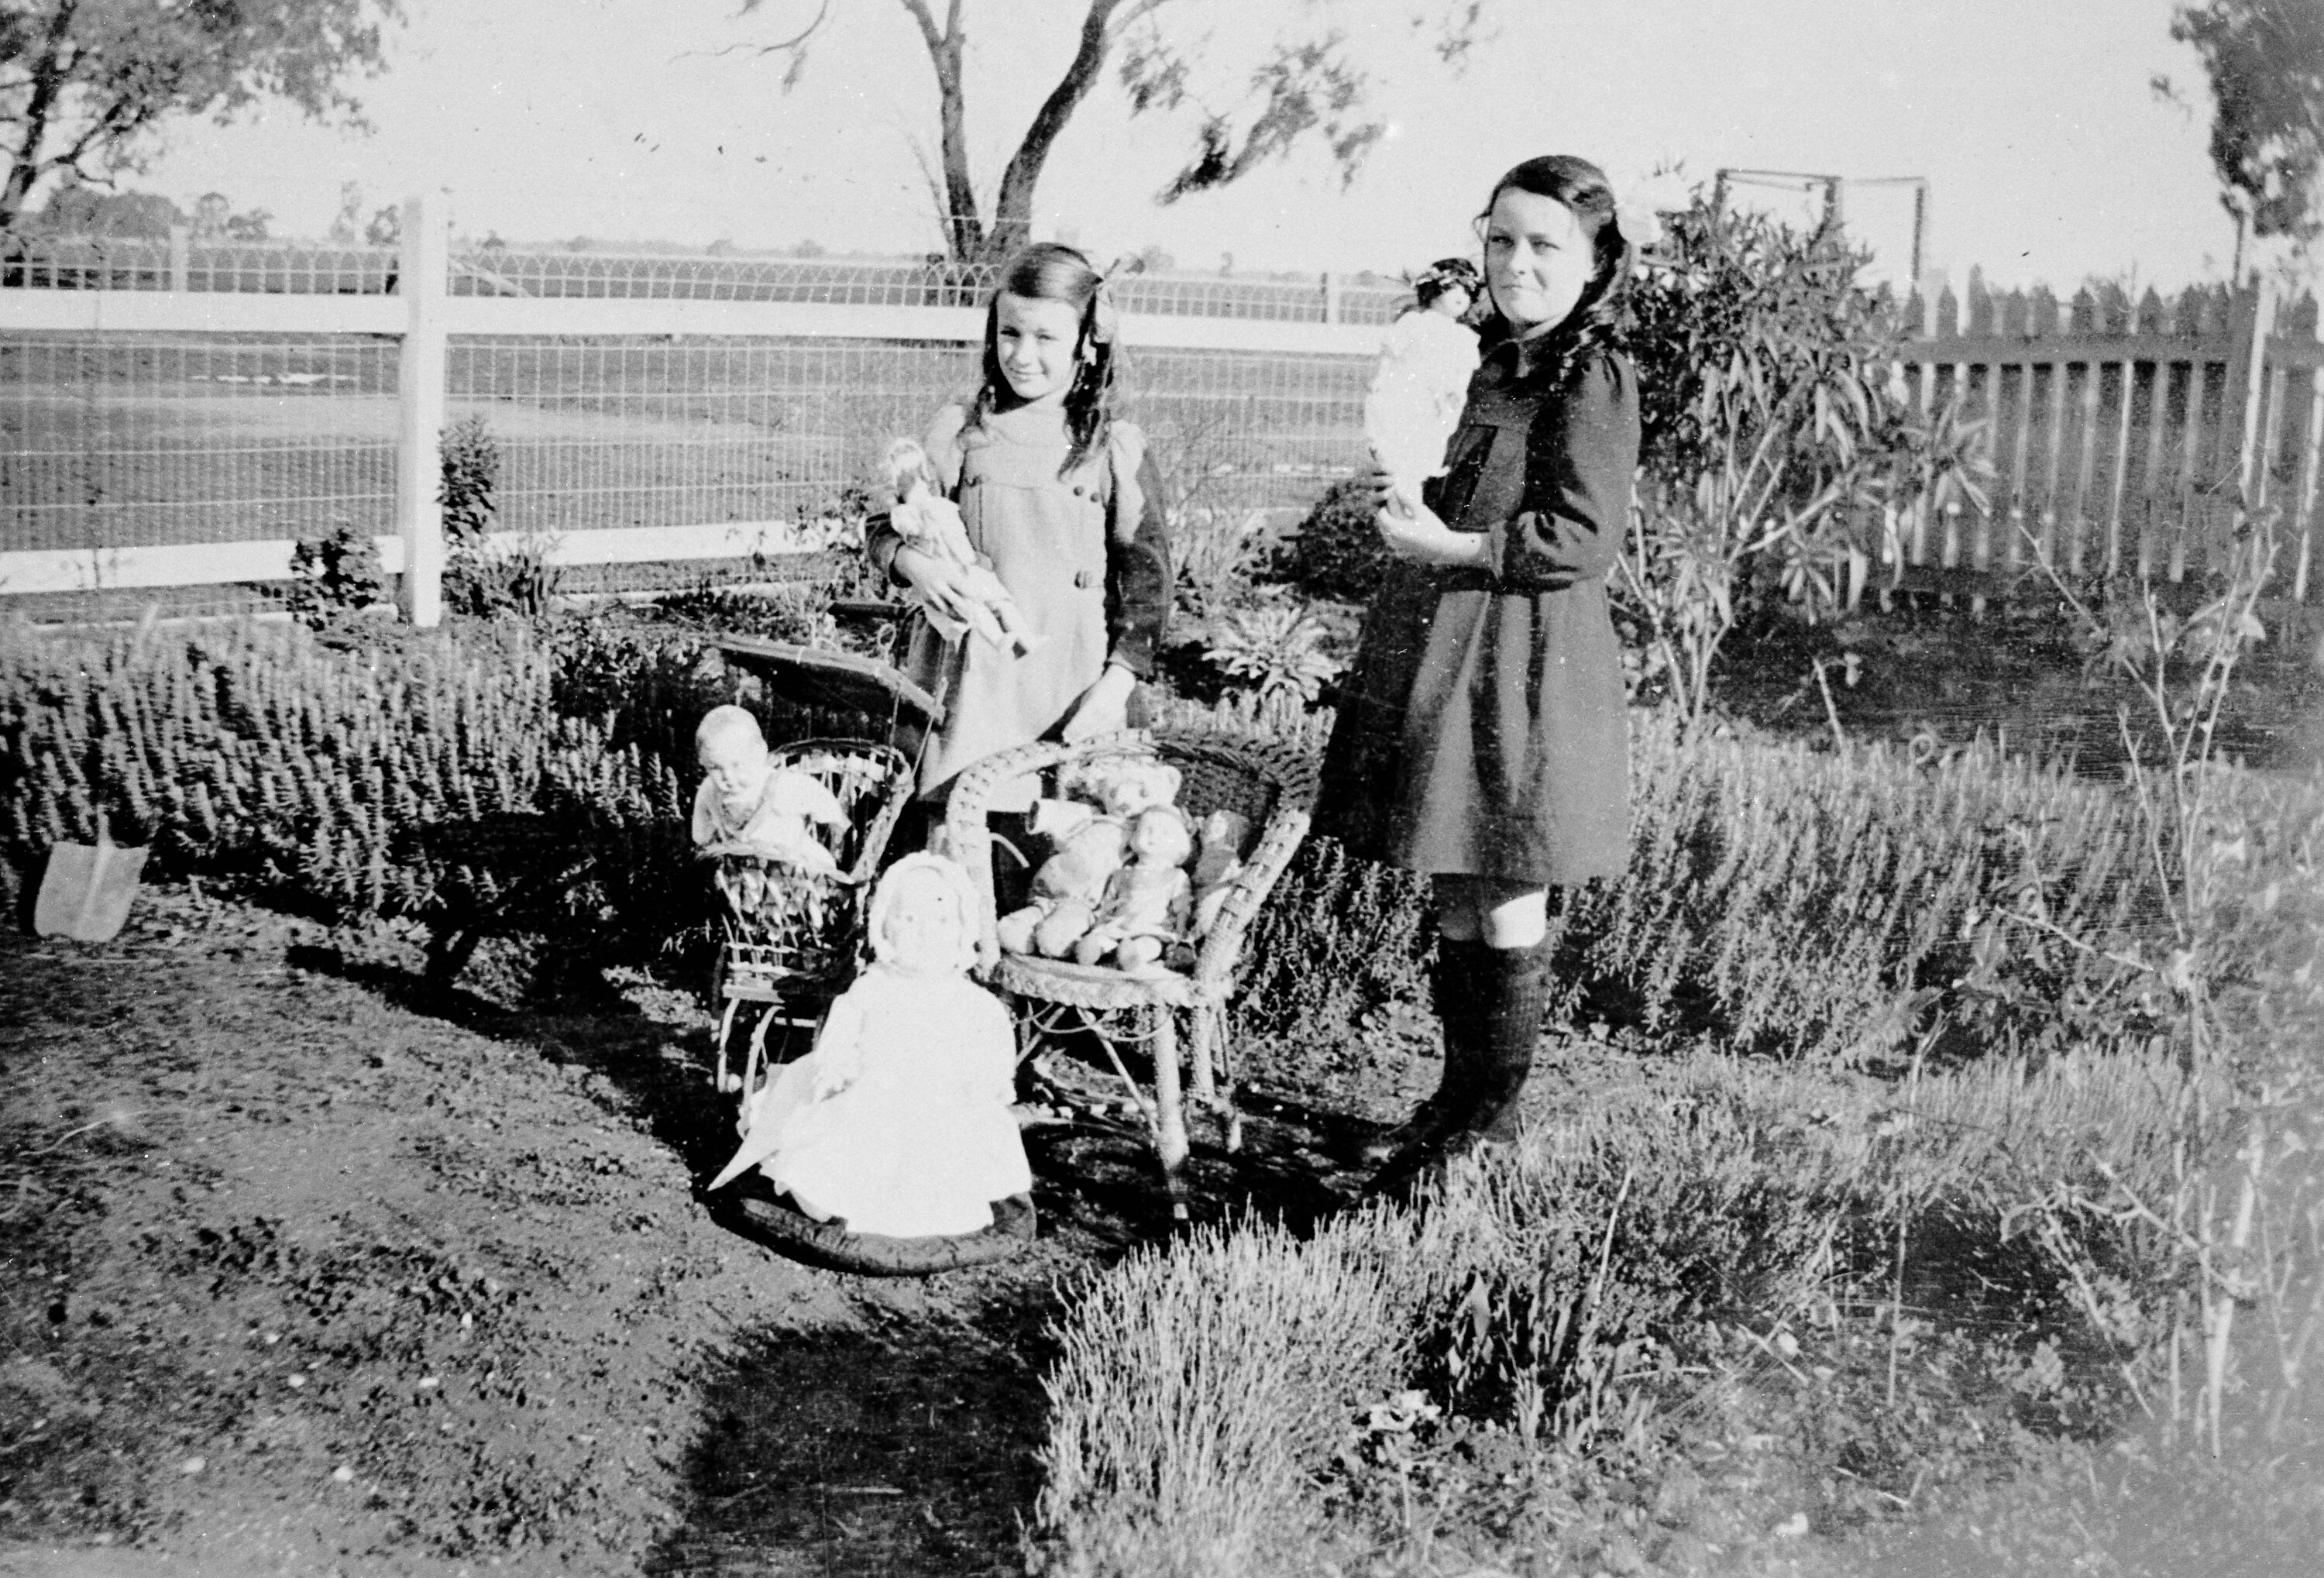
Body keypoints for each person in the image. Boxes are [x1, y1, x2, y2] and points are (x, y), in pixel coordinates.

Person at [1315, 155, 1645, 1182]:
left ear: (1595, 262)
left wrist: (1450, 546)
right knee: (1458, 887)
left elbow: (1580, 536)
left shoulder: (1592, 373)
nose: (1517, 263)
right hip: (1454, 643)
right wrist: (1403, 497)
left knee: (1506, 891)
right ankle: (1452, 1112)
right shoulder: (1485, 359)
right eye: (1501, 240)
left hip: (1528, 660)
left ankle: (1488, 1130)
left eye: (1545, 245)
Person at [866, 243, 1174, 813]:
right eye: (1010, 333)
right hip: (973, 683)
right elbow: (887, 524)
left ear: (1087, 342)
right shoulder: (962, 432)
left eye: (1046, 337)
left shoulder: (1112, 448)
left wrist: (1117, 686)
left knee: (1071, 836)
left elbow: (1148, 585)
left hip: (1074, 681)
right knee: (960, 827)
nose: (1022, 355)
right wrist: (917, 566)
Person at [705, 853, 1032, 1238]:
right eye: (908, 919)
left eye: (942, 920)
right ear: (884, 928)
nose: (925, 931)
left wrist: (987, 1083)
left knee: (945, 1155)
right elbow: (841, 1034)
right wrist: (836, 1068)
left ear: (963, 930)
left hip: (942, 1103)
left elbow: (991, 1046)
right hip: (873, 1095)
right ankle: (832, 1196)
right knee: (845, 1142)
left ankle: (930, 1203)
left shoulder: (971, 1001)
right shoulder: (872, 987)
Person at [1364, 257, 1483, 514]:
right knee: (1398, 458)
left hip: (1438, 405)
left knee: (1426, 456)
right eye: (1454, 288)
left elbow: (1462, 376)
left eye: (1467, 292)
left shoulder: (1464, 337)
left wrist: (1452, 397)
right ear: (1434, 290)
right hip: (1408, 396)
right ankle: (1398, 510)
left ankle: (1415, 511)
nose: (1461, 297)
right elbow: (1390, 361)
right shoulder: (1414, 324)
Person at [691, 703, 847, 874]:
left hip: (796, 861)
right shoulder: (709, 790)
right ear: (703, 763)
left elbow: (825, 804)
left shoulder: (781, 785)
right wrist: (707, 842)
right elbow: (701, 836)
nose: (727, 776)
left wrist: (837, 828)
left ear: (759, 754)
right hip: (746, 870)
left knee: (820, 869)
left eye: (737, 765)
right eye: (715, 768)